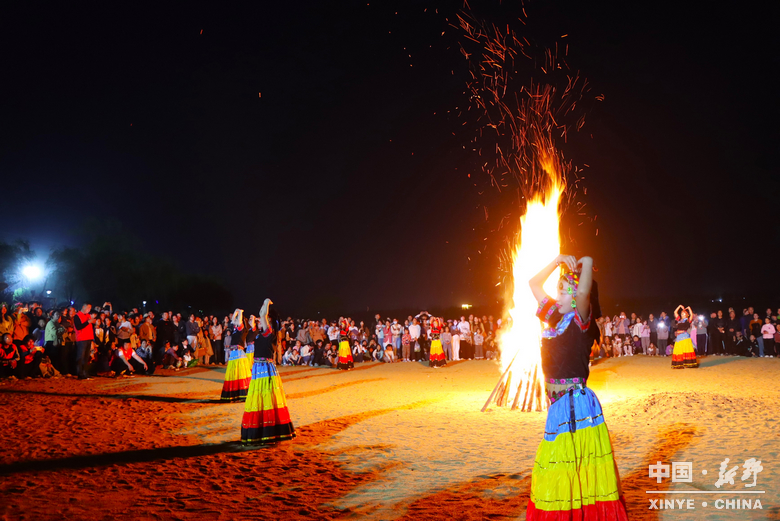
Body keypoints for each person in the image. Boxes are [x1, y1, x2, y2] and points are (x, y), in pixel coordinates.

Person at [526, 254, 627, 520]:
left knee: (574, 466)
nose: (556, 297)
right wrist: (557, 260)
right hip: (557, 407)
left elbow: (584, 290)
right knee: (560, 468)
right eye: (557, 291)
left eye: (562, 292)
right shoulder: (553, 318)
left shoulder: (580, 321)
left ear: (574, 298)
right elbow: (533, 284)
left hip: (575, 404)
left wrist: (587, 260)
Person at [241, 298, 296, 444]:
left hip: (265, 367)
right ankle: (262, 428)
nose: (259, 320)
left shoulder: (269, 331)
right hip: (259, 368)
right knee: (260, 397)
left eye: (262, 319)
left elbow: (262, 314)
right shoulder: (263, 332)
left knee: (265, 397)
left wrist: (266, 302)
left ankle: (267, 429)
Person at [221, 309, 252, 402]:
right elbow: (233, 320)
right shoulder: (235, 330)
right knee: (233, 373)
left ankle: (242, 394)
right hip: (234, 353)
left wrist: (240, 312)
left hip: (239, 352)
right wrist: (236, 312)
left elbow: (237, 321)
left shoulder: (242, 330)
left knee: (240, 373)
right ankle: (235, 394)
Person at [73, 303, 96, 379]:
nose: (89, 310)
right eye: (88, 308)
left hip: (88, 338)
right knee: (80, 357)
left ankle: (85, 373)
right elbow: (78, 327)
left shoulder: (88, 316)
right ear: (83, 306)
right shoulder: (77, 316)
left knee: (86, 357)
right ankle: (80, 373)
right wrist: (88, 322)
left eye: (90, 308)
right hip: (81, 339)